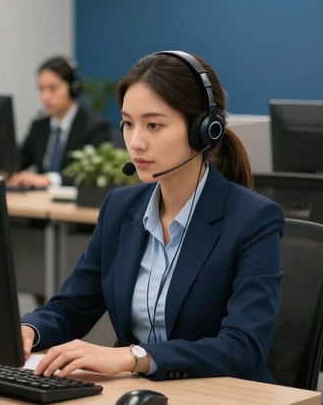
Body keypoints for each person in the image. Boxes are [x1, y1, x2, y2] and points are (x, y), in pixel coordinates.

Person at [20, 50, 283, 381]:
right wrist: (28, 329)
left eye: (154, 125)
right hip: (140, 393)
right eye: (128, 123)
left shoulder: (253, 220)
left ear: (204, 130)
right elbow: (71, 307)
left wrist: (135, 357)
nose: (136, 142)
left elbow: (243, 347)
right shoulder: (120, 209)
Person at [6, 56, 111, 188]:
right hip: (40, 200)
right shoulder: (39, 125)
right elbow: (19, 161)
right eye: (41, 89)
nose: (45, 97)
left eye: (52, 88)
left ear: (73, 88)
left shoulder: (95, 126)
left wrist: (49, 180)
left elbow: (93, 174)